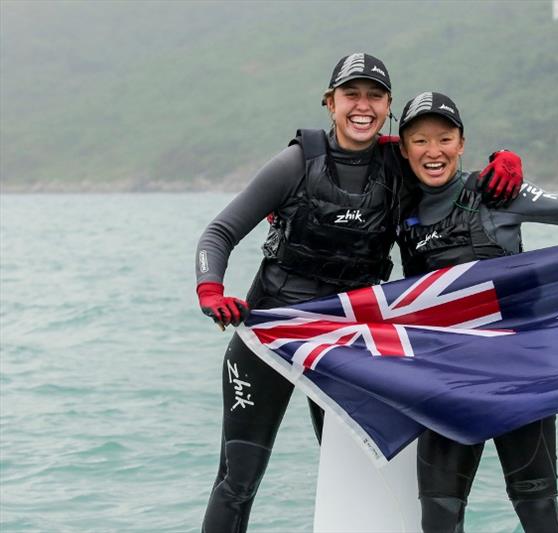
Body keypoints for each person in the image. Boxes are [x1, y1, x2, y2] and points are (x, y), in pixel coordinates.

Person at [195, 55, 523, 533]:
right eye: (352, 95)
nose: (362, 106)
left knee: (364, 476)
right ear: (331, 103)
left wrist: (505, 160)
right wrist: (211, 290)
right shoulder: (296, 163)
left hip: (346, 344)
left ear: (388, 105)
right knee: (238, 480)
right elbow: (219, 232)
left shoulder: (398, 163)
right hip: (271, 335)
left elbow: (447, 166)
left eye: (374, 96)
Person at [395, 91, 558, 533]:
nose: (433, 151)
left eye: (444, 139)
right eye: (419, 141)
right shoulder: (398, 205)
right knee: (438, 517)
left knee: (536, 511)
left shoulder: (495, 192)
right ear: (404, 149)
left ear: (461, 143)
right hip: (446, 380)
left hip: (520, 374)